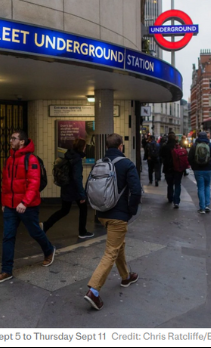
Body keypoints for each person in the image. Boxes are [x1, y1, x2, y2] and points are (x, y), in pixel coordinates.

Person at [83, 133, 142, 311]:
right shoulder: (127, 164)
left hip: (102, 213)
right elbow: (137, 191)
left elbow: (89, 186)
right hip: (118, 216)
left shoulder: (99, 163)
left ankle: (126, 276)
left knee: (118, 245)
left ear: (107, 146)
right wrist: (130, 212)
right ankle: (94, 290)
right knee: (110, 252)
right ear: (121, 147)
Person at [0, 131, 56, 284]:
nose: (10, 140)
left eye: (13, 138)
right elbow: (5, 183)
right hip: (10, 206)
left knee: (35, 232)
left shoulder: (30, 159)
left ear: (21, 142)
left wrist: (24, 202)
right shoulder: (9, 159)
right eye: (10, 138)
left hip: (27, 206)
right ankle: (6, 271)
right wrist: (4, 202)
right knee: (8, 236)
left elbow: (34, 184)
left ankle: (49, 250)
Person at [42, 138, 93, 239]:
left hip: (66, 187)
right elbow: (77, 178)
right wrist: (82, 194)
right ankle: (82, 232)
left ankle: (46, 225)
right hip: (74, 189)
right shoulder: (77, 159)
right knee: (83, 208)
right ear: (82, 147)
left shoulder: (68, 155)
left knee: (64, 210)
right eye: (85, 146)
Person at [189, 131, 211, 213]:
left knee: (200, 188)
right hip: (208, 170)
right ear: (206, 137)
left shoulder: (194, 146)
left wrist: (194, 166)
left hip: (198, 170)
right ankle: (207, 206)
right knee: (207, 187)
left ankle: (202, 208)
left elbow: (190, 158)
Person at [160, 132, 183, 209]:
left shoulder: (165, 146)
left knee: (170, 184)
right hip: (178, 169)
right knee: (177, 184)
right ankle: (176, 201)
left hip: (168, 168)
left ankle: (170, 198)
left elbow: (161, 155)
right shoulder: (178, 146)